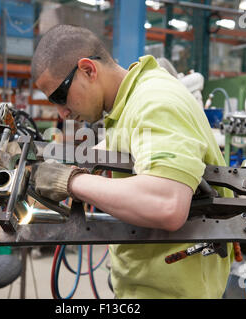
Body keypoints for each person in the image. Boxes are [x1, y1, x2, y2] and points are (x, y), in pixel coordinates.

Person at [30, 24, 233, 299]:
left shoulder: (154, 101)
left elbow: (168, 204)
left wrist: (70, 181)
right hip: (146, 284)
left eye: (60, 96)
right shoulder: (127, 104)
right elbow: (119, 148)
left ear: (88, 70)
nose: (62, 112)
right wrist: (52, 161)